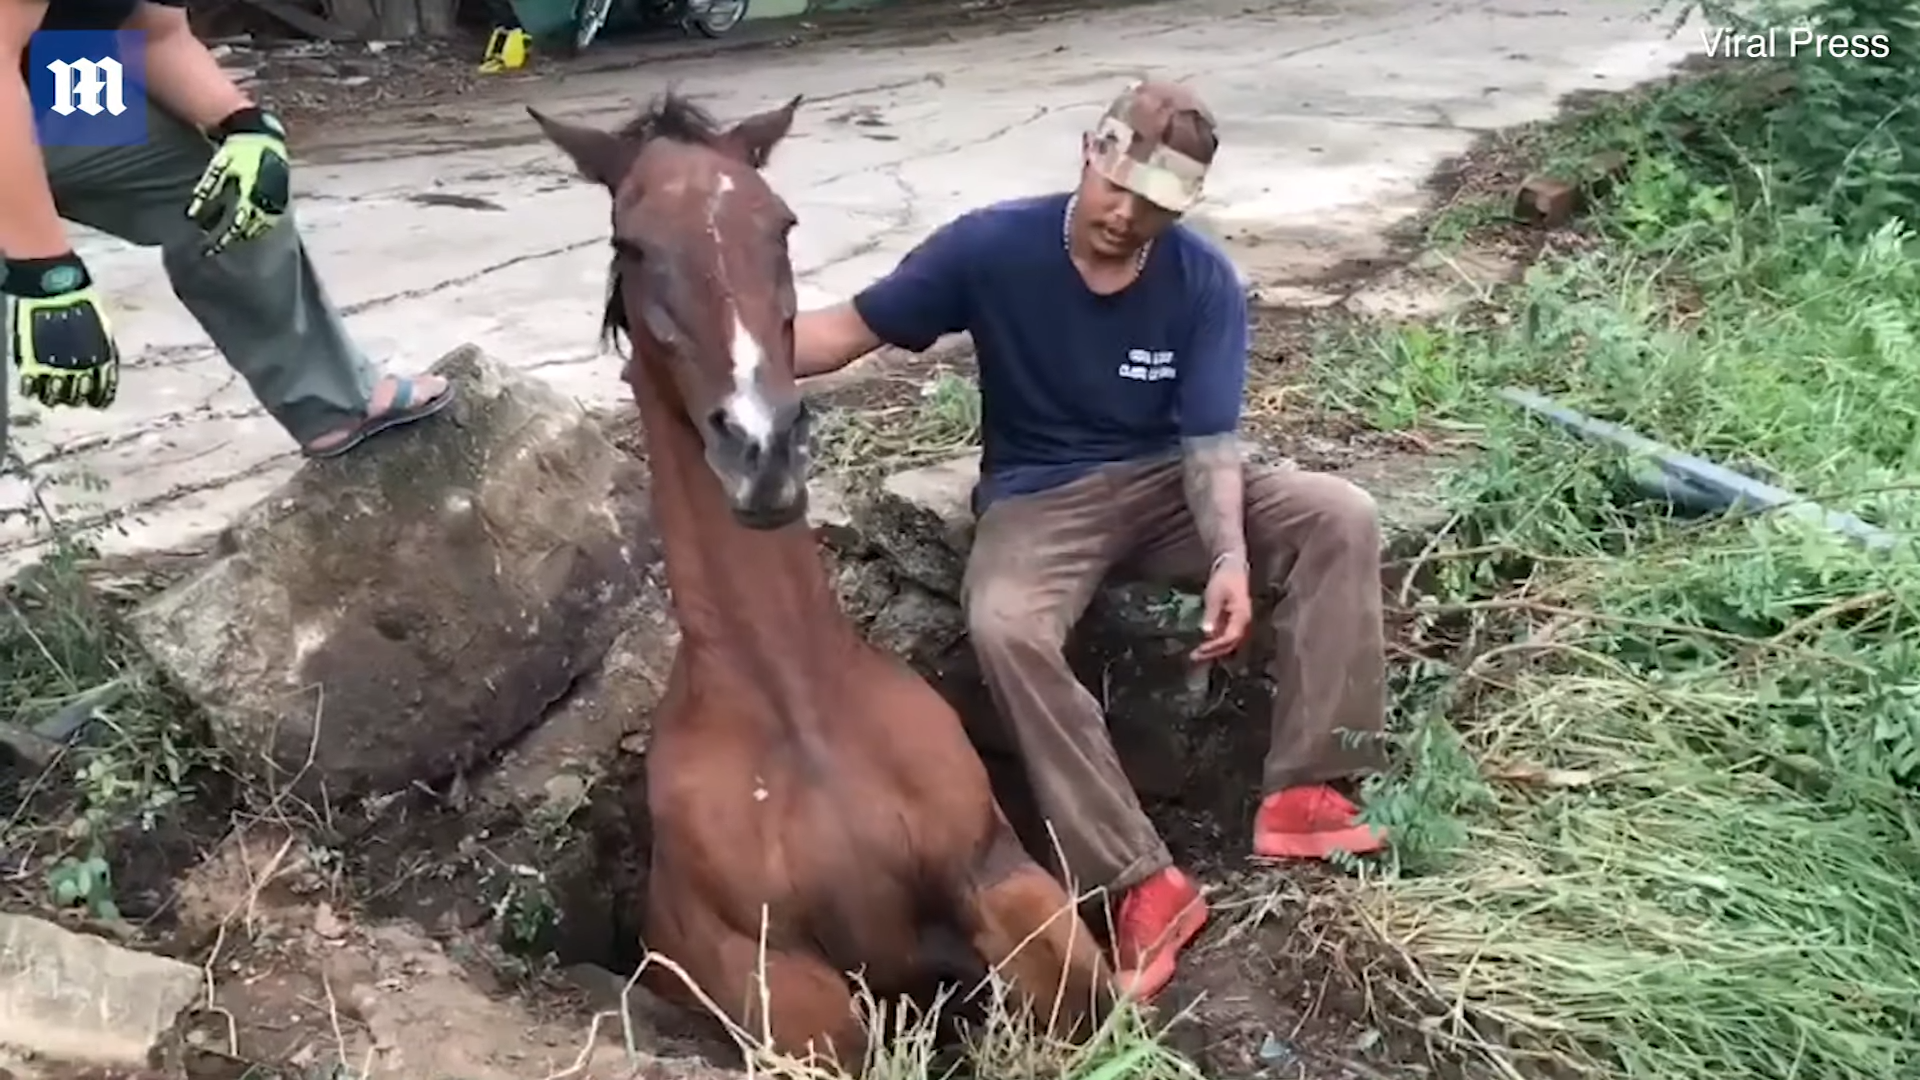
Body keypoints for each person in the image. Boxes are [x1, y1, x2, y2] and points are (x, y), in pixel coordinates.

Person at [791, 80, 1390, 1002]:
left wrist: (1228, 554)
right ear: (1089, 152)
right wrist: (716, 345)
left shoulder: (1200, 279)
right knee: (1004, 622)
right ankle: (1138, 880)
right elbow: (845, 333)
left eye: (1156, 205)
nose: (1127, 215)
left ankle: (1306, 792)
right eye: (1120, 188)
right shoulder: (991, 247)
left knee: (1339, 514)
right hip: (1044, 496)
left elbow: (1210, 446)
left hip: (1168, 484)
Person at [2, 0, 451, 459]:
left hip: (68, 69)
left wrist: (245, 124)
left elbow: (154, 33)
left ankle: (334, 404)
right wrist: (47, 274)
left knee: (233, 188)